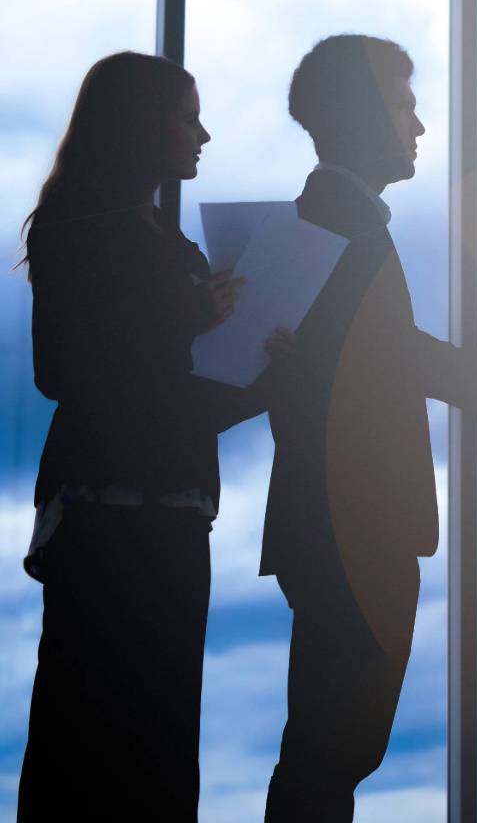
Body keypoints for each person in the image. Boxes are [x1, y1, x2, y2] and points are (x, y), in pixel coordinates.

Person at [260, 34, 477, 822]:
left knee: (330, 752)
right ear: (361, 115)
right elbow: (396, 358)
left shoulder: (343, 218)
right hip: (350, 526)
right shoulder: (337, 224)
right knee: (331, 752)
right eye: (404, 105)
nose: (419, 126)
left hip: (342, 524)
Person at [17, 52, 288, 821]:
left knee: (161, 751)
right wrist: (191, 320)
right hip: (109, 523)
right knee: (93, 745)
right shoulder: (83, 226)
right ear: (143, 124)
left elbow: (176, 399)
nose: (203, 134)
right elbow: (62, 368)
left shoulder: (172, 248)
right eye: (187, 115)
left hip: (173, 518)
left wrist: (268, 381)